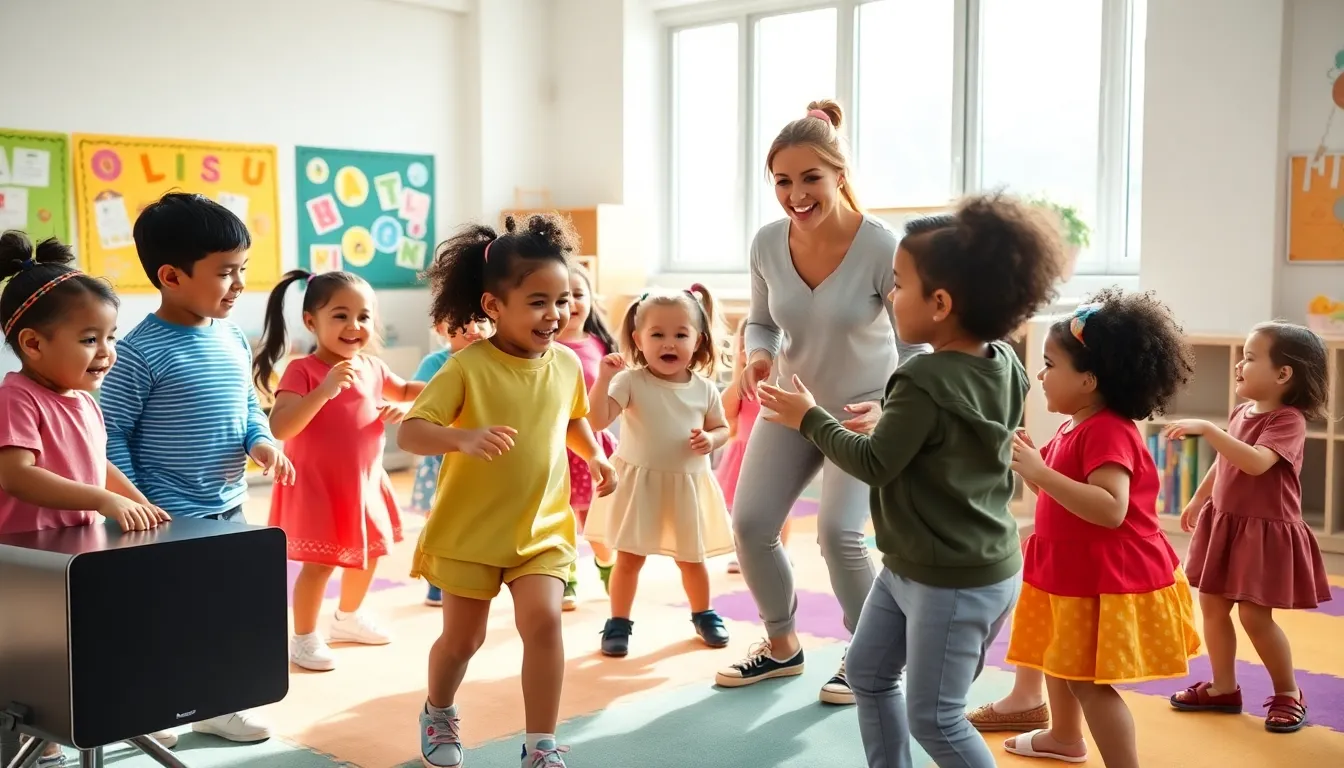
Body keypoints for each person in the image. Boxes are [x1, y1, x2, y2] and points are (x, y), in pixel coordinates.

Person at [757, 192, 1061, 768]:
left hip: (951, 578)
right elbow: (954, 438)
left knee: (936, 719)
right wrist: (894, 425)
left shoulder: (920, 376)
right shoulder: (1003, 360)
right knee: (869, 676)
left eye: (897, 284)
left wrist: (809, 417)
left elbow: (873, 465)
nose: (890, 296)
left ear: (941, 302)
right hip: (916, 566)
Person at [716, 99, 930, 705]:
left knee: (838, 534)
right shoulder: (765, 243)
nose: (795, 194)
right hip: (789, 404)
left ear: (839, 174)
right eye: (782, 181)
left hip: (861, 412)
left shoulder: (882, 248)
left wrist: (891, 408)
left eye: (810, 178)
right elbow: (761, 324)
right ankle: (781, 646)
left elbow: (914, 345)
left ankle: (870, 659)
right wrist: (757, 357)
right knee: (751, 525)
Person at [397, 214, 617, 768]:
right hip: (470, 532)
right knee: (462, 642)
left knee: (544, 622)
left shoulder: (566, 364)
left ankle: (540, 745)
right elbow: (410, 431)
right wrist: (461, 437)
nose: (556, 313)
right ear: (493, 306)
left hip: (540, 528)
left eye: (563, 299)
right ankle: (438, 709)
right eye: (538, 301)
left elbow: (572, 419)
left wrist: (596, 455)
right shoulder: (465, 367)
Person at [99, 193, 295, 743]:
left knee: (225, 613)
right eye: (226, 273)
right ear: (171, 276)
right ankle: (160, 706)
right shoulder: (139, 352)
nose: (238, 286)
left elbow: (248, 411)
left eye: (243, 271)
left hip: (229, 504)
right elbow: (109, 435)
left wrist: (263, 444)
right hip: (168, 515)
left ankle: (217, 704)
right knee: (168, 618)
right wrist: (136, 504)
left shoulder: (232, 337)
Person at [999, 289, 1201, 767]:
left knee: (1089, 682)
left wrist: (1041, 473)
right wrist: (1031, 464)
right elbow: (1059, 486)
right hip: (1068, 570)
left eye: (1050, 364)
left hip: (1102, 576)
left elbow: (1111, 508)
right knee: (1058, 658)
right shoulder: (1076, 424)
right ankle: (1064, 737)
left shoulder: (1107, 430)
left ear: (1088, 379)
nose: (1041, 375)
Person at [0, 232, 175, 766]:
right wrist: (104, 501)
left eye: (110, 336)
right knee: (39, 654)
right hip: (29, 558)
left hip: (78, 554)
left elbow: (96, 461)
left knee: (96, 640)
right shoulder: (16, 397)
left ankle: (103, 715)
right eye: (89, 339)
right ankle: (39, 730)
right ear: (33, 344)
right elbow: (17, 475)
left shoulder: (81, 400)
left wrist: (138, 502)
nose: (106, 352)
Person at [253, 269, 425, 672]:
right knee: (320, 565)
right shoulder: (303, 370)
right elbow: (281, 427)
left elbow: (406, 391)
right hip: (317, 486)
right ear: (311, 322)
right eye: (341, 315)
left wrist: (425, 398)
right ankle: (304, 637)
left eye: (364, 316)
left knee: (368, 555)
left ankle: (347, 618)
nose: (355, 326)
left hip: (364, 483)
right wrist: (324, 390)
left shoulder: (372, 367)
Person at [1166, 321, 1331, 734]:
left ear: (1283, 374)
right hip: (1226, 524)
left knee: (1256, 618)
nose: (1239, 365)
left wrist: (1208, 431)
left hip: (1263, 532)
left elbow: (1255, 462)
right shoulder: (1241, 411)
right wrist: (1200, 497)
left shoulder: (1288, 420)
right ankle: (1224, 687)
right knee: (1213, 606)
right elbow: (1227, 462)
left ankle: (1289, 693)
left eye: (1251, 357)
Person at [584, 285, 735, 657]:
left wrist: (712, 441)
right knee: (630, 559)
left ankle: (703, 613)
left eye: (680, 335)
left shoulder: (704, 389)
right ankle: (618, 621)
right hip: (641, 484)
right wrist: (603, 379)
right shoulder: (630, 381)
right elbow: (597, 419)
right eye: (657, 335)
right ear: (638, 339)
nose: (669, 343)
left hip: (686, 486)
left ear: (698, 341)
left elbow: (722, 427)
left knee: (692, 559)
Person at [410, 317, 492, 607]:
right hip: (440, 461)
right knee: (440, 519)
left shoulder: (494, 359)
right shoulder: (436, 363)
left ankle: (470, 574)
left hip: (481, 460)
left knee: (475, 520)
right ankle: (436, 579)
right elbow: (416, 399)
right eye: (461, 322)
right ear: (440, 328)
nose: (473, 329)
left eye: (480, 321)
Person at [555, 262, 619, 608]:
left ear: (592, 299)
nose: (573, 304)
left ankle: (608, 566)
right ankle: (567, 577)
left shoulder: (599, 344)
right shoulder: (544, 347)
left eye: (579, 295)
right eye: (564, 298)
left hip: (595, 446)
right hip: (555, 450)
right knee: (559, 519)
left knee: (597, 524)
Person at [716, 316, 790, 574]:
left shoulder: (780, 385)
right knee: (740, 510)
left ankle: (780, 550)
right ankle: (743, 552)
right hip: (743, 455)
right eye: (744, 347)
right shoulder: (740, 388)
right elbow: (726, 416)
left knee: (780, 507)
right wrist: (741, 377)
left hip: (774, 453)